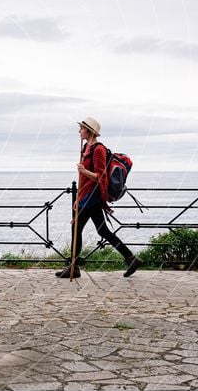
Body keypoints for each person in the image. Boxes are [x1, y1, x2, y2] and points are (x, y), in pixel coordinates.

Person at [56, 117, 142, 279]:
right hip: (86, 195)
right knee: (102, 230)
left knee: (76, 228)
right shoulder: (86, 148)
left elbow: (101, 176)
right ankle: (131, 259)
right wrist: (77, 197)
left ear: (89, 131)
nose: (79, 131)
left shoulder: (98, 150)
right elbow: (85, 180)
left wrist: (84, 171)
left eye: (81, 128)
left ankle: (73, 268)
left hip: (91, 197)